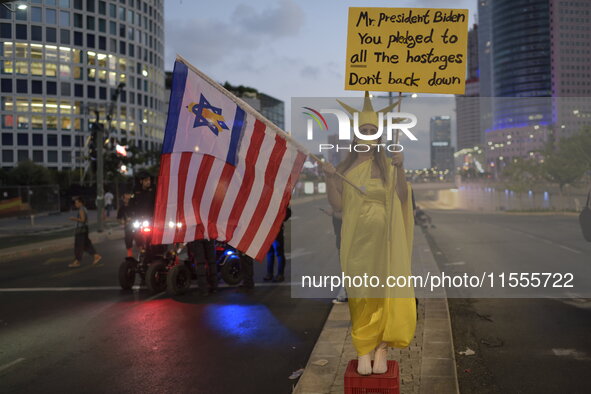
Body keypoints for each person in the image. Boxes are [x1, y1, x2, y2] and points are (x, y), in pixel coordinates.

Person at [321, 92, 416, 376]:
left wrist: (400, 168)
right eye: (364, 130)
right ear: (356, 133)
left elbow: (402, 198)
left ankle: (381, 349)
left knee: (386, 294)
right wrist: (328, 177)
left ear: (379, 135)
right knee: (361, 294)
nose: (368, 134)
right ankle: (363, 348)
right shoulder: (343, 168)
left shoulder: (388, 166)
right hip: (357, 242)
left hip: (386, 242)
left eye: (373, 130)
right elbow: (337, 206)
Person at [68, 196, 102, 268]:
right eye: (75, 203)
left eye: (77, 203)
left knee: (78, 245)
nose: (76, 204)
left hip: (81, 230)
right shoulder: (84, 209)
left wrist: (74, 218)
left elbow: (83, 220)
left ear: (81, 203)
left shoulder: (81, 209)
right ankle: (96, 256)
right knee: (86, 244)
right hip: (84, 229)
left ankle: (77, 261)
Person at [263, 206, 291, 282]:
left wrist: (280, 218)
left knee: (279, 253)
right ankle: (269, 273)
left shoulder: (279, 202)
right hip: (267, 230)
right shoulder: (266, 201)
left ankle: (280, 274)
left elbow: (287, 212)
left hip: (277, 230)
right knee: (269, 253)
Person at [117, 193, 134, 257]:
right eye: (126, 199)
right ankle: (130, 255)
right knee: (128, 239)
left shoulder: (134, 206)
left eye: (129, 199)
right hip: (128, 225)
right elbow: (118, 219)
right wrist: (124, 222)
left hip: (137, 224)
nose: (128, 200)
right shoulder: (122, 208)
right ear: (123, 199)